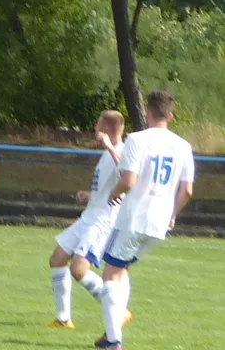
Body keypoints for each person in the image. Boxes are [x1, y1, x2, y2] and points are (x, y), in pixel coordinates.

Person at [94, 91, 195, 350]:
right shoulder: (183, 146)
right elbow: (187, 190)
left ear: (147, 113)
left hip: (134, 218)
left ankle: (113, 341)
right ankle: (110, 332)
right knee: (122, 269)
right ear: (170, 116)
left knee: (110, 275)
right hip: (160, 223)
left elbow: (128, 180)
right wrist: (173, 213)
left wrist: (114, 194)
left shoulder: (137, 139)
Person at [48, 110, 132, 329]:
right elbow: (108, 189)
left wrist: (110, 146)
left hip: (102, 221)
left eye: (97, 125)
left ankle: (119, 311)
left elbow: (128, 174)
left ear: (105, 130)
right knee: (57, 259)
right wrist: (89, 195)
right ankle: (63, 319)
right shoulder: (106, 154)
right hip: (89, 216)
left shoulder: (121, 150)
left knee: (79, 270)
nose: (94, 128)